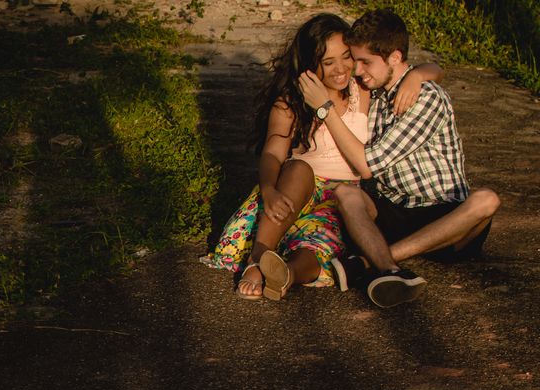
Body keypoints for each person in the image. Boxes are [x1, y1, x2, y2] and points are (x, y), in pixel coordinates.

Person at [201, 14, 441, 301]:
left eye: (346, 57)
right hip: (295, 189)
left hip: (340, 196)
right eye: (328, 63)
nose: (341, 69)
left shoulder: (361, 89)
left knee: (318, 244)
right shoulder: (291, 101)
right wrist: (268, 189)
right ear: (310, 64)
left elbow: (425, 68)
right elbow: (272, 152)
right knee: (300, 168)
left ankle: (286, 274)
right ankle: (259, 257)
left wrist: (418, 75)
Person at [299, 9, 499, 308]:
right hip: (395, 208)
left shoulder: (426, 98)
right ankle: (390, 270)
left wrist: (324, 109)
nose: (358, 71)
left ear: (394, 57)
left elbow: (366, 165)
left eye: (366, 62)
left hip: (444, 213)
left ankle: (370, 261)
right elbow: (433, 67)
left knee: (486, 200)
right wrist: (420, 71)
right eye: (358, 61)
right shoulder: (376, 88)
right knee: (345, 194)